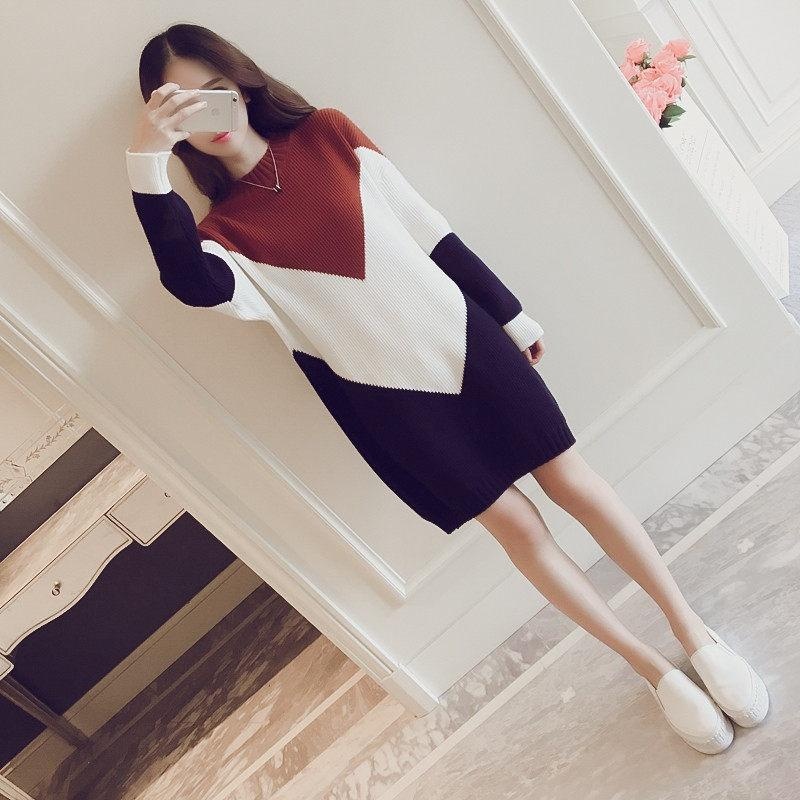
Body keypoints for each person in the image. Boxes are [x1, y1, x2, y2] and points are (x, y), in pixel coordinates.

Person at [125, 23, 768, 753]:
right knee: (519, 530)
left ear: (243, 83)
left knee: (571, 481)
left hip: (466, 342)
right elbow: (191, 286)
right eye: (184, 106)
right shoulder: (222, 237)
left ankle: (695, 633)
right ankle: (654, 670)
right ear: (169, 124)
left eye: (217, 90)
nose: (209, 113)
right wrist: (145, 160)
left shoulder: (327, 135)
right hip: (386, 400)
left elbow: (426, 228)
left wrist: (508, 313)